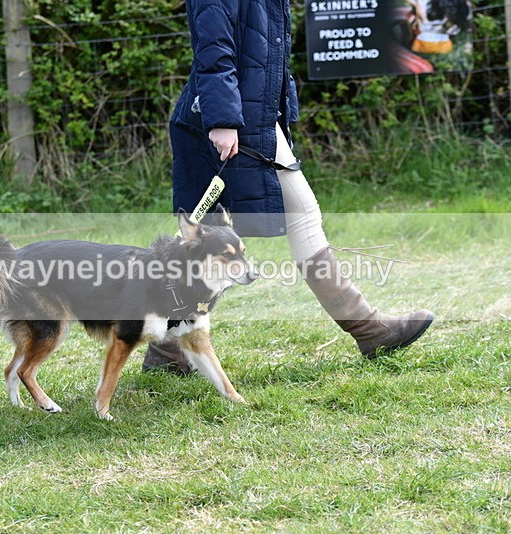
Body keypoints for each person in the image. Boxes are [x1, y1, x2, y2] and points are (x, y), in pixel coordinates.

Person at [143, 0, 434, 373]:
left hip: (252, 119)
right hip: (230, 124)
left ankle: (166, 353)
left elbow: (266, 54)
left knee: (208, 236)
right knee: (233, 231)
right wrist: (222, 120)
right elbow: (214, 49)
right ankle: (368, 328)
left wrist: (278, 112)